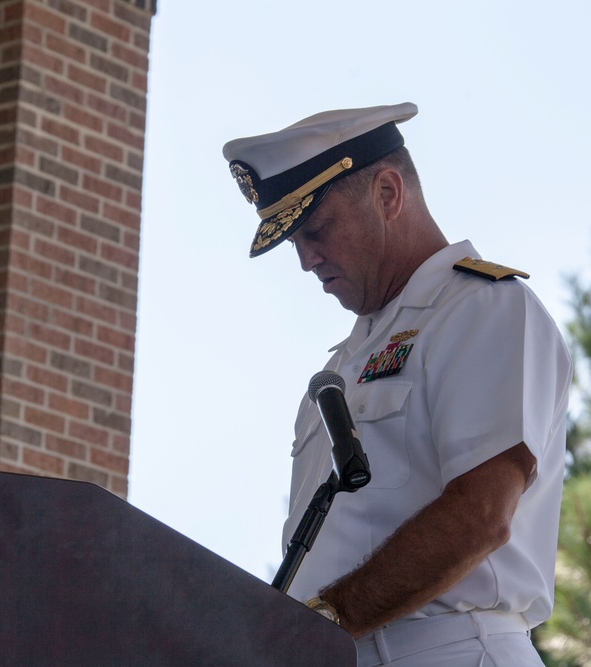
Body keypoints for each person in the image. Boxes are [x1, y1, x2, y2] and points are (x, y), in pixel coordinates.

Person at [222, 103, 572, 666]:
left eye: (317, 230)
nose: (307, 261)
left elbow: (482, 513)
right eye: (294, 244)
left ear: (388, 193)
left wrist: (326, 622)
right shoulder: (345, 362)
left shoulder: (483, 308)